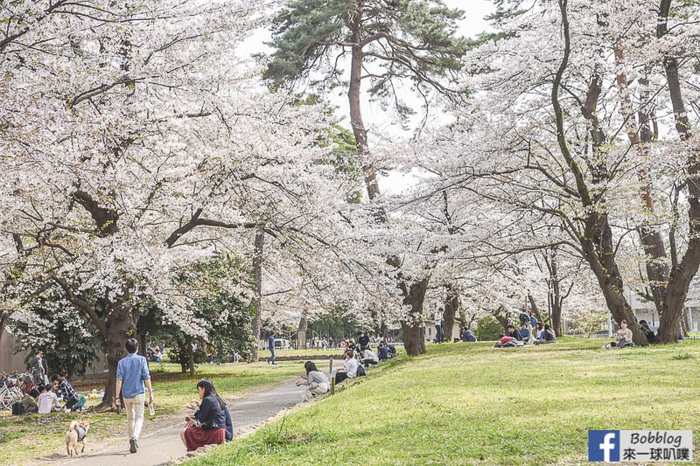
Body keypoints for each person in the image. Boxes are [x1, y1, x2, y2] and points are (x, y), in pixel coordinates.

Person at [115, 338, 154, 454]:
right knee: (139, 417)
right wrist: (151, 392)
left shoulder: (121, 362)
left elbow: (119, 380)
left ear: (126, 349)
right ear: (137, 348)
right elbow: (146, 377)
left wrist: (117, 397)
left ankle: (131, 438)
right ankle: (134, 438)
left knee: (130, 418)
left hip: (126, 395)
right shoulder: (142, 360)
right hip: (139, 393)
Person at [181, 380, 227, 451]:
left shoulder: (207, 400)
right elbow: (204, 414)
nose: (199, 393)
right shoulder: (213, 397)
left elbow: (200, 420)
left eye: (199, 390)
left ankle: (191, 451)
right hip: (220, 430)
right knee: (189, 426)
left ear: (203, 389)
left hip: (214, 432)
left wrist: (191, 420)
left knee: (184, 432)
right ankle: (192, 451)